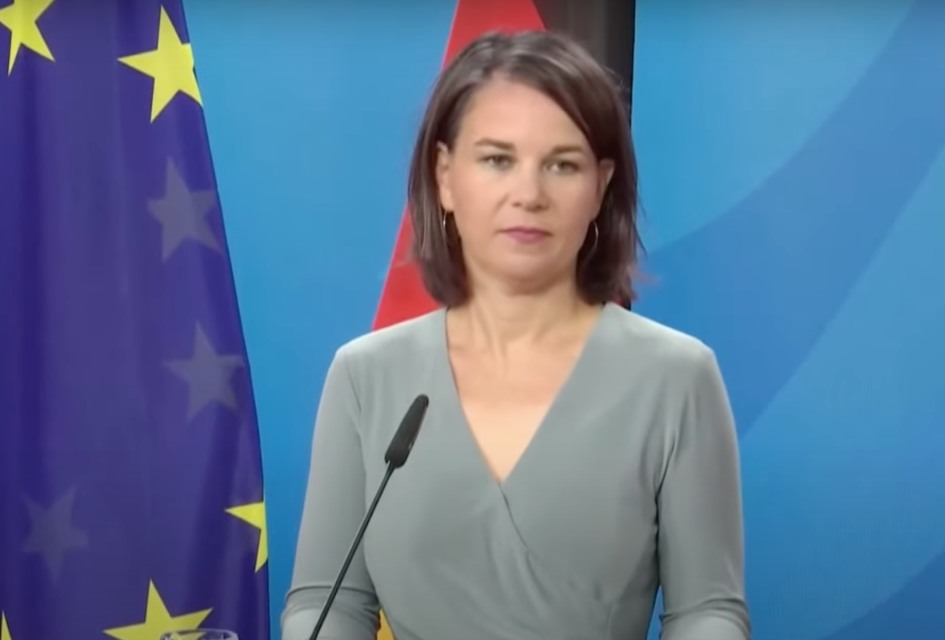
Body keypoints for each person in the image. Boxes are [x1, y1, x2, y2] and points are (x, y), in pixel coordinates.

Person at [281, 29, 750, 640]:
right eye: (497, 160)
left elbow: (707, 611)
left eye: (562, 165)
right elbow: (328, 603)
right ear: (445, 176)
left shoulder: (677, 377)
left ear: (601, 187)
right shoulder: (365, 376)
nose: (529, 195)